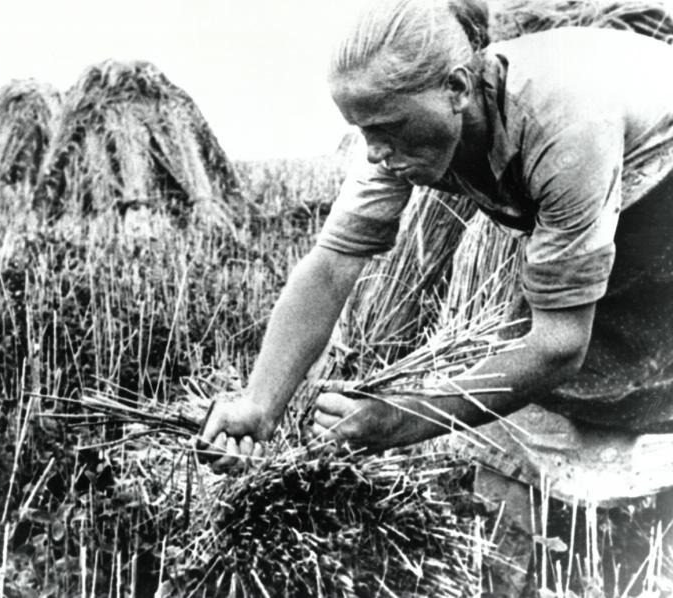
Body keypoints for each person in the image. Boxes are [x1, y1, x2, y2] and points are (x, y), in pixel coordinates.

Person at [199, 0, 673, 592]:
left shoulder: (562, 123)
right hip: (611, 203)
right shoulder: (397, 135)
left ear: (456, 89)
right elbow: (331, 266)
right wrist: (259, 403)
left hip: (659, 198)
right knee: (516, 421)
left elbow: (558, 345)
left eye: (387, 129)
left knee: (635, 396)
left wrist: (403, 419)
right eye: (363, 131)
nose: (375, 152)